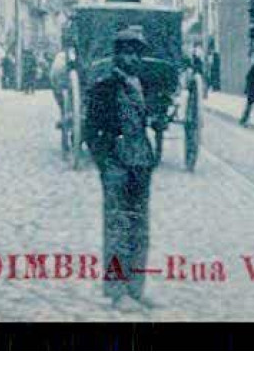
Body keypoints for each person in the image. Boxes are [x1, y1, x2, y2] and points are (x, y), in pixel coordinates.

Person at [84, 25, 158, 310]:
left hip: (141, 164)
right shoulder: (104, 88)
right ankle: (117, 292)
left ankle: (136, 289)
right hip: (117, 166)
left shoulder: (143, 86)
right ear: (117, 56)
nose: (132, 59)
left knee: (140, 229)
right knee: (117, 229)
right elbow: (91, 132)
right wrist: (106, 164)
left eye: (137, 53)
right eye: (126, 53)